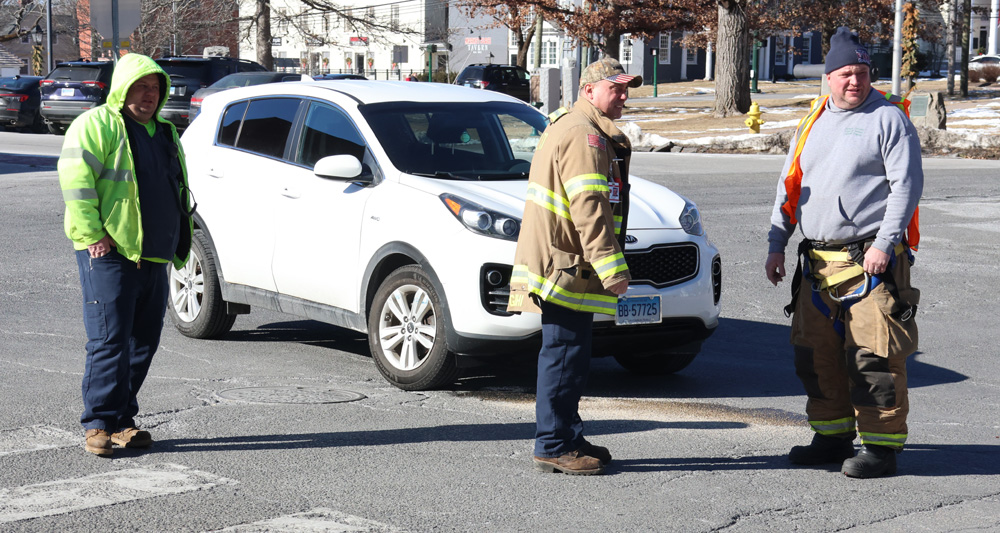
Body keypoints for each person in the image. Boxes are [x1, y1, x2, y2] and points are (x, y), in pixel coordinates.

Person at [764, 27, 923, 479]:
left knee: (874, 357)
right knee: (816, 355)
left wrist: (884, 244)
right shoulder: (814, 118)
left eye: (863, 72)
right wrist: (777, 244)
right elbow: (789, 186)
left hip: (870, 261)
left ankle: (881, 447)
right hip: (816, 261)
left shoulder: (888, 118)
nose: (855, 80)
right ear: (829, 77)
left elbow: (906, 187)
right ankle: (832, 436)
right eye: (846, 73)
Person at [508, 56, 641, 476]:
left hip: (563, 261)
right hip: (566, 264)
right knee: (564, 356)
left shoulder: (575, 126)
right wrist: (612, 267)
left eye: (626, 89)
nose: (623, 96)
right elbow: (590, 208)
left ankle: (566, 434)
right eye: (615, 88)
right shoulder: (584, 135)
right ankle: (553, 445)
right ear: (589, 91)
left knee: (571, 355)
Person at [58, 53, 193, 457]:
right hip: (110, 252)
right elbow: (75, 181)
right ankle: (98, 423)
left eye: (154, 88)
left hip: (154, 255)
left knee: (142, 343)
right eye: (140, 86)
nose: (148, 95)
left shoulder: (165, 131)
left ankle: (122, 420)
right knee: (109, 340)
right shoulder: (96, 125)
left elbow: (176, 187)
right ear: (123, 87)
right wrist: (92, 233)